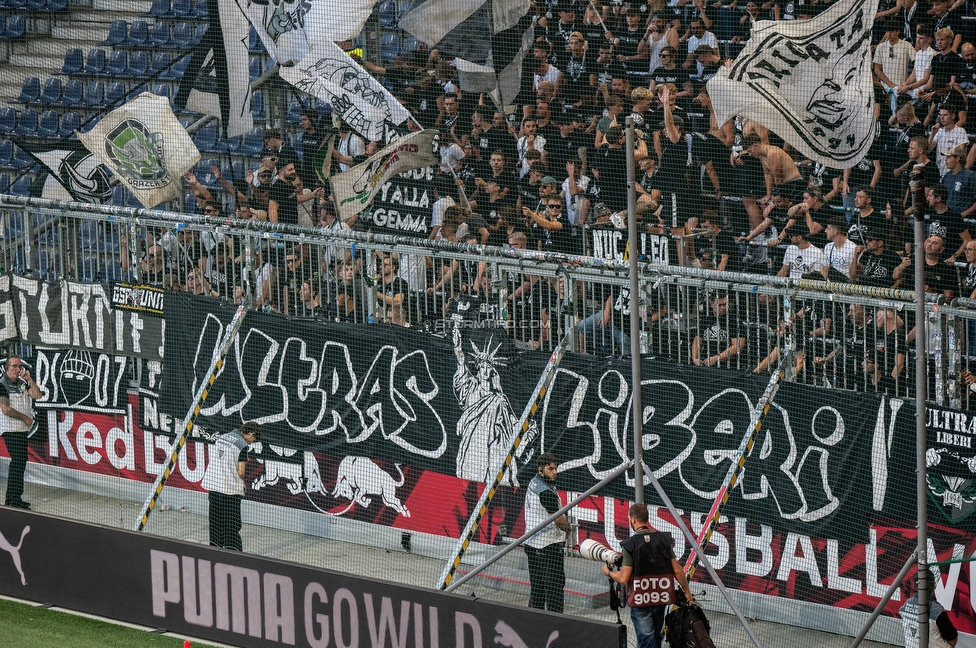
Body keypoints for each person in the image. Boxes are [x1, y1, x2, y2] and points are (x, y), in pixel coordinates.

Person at [602, 503, 696, 648]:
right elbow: (677, 570)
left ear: (633, 519)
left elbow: (624, 578)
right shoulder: (663, 540)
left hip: (640, 601)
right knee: (656, 637)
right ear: (646, 518)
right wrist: (687, 591)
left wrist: (608, 572)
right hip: (660, 598)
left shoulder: (630, 544)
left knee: (646, 641)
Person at [202, 421, 261, 551]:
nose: (251, 442)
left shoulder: (222, 437)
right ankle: (233, 553)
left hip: (213, 486)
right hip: (229, 490)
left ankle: (215, 550)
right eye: (253, 439)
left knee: (215, 522)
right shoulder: (242, 445)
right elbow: (241, 472)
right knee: (231, 525)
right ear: (251, 433)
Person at [524, 452, 571, 614]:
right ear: (540, 470)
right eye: (550, 469)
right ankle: (555, 622)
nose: (555, 472)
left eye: (555, 468)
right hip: (548, 547)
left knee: (537, 589)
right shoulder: (546, 492)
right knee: (554, 591)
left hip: (531, 544)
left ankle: (535, 620)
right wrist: (569, 530)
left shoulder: (534, 482)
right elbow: (558, 520)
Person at [0, 356, 40, 510]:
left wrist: (29, 379)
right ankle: (12, 500)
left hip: (22, 429)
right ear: (7, 368)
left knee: (20, 462)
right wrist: (25, 418)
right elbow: (5, 409)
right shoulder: (2, 385)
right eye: (15, 366)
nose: (18, 369)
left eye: (20, 366)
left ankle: (13, 498)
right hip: (11, 429)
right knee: (17, 461)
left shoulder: (22, 384)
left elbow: (37, 395)